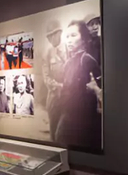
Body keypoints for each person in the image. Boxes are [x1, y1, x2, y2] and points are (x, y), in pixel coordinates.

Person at [55, 20, 102, 150]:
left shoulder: (88, 60)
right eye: (67, 36)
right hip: (68, 118)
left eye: (73, 35)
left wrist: (95, 89)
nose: (69, 40)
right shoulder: (67, 63)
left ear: (83, 38)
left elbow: (100, 90)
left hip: (85, 121)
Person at [42, 19, 66, 140]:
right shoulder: (47, 53)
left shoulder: (68, 49)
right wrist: (58, 86)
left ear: (59, 33)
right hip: (54, 97)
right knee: (54, 133)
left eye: (53, 35)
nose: (50, 39)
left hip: (68, 98)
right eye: (49, 36)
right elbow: (46, 77)